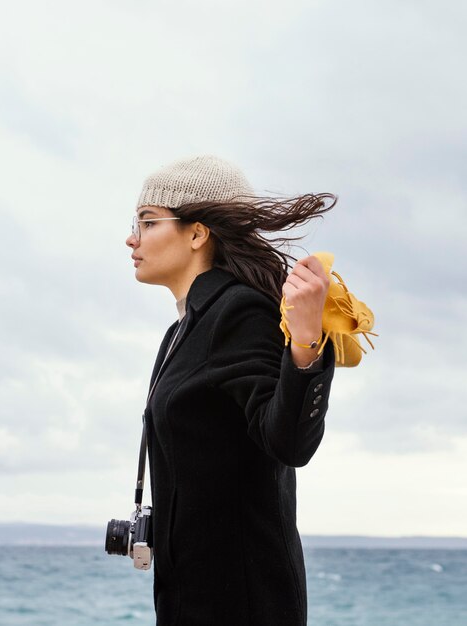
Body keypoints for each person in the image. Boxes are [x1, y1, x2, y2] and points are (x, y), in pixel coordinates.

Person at [125, 155, 337, 626]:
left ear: (197, 234)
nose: (131, 238)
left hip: (244, 605)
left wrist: (305, 341)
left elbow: (288, 442)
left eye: (147, 221)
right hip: (190, 600)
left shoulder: (239, 311)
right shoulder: (183, 329)